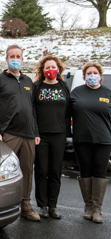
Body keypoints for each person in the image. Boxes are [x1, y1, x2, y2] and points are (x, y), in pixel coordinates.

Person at [0, 44, 41, 221]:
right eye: (12, 56)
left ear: (22, 59)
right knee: (4, 172)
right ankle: (0, 206)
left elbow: (32, 109)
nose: (15, 59)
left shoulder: (28, 82)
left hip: (29, 135)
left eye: (18, 56)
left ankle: (26, 206)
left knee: (27, 171)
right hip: (8, 134)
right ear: (7, 59)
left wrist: (36, 132)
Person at [71, 62, 111, 224]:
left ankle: (97, 209)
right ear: (84, 76)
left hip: (103, 140)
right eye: (88, 73)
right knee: (85, 172)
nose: (92, 75)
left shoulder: (107, 93)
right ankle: (87, 206)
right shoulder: (77, 93)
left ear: (100, 75)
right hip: (82, 140)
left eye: (95, 73)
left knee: (99, 173)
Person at [33, 55, 70, 219]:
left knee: (55, 171)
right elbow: (32, 112)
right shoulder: (37, 87)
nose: (50, 70)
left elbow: (68, 111)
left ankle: (53, 206)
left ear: (58, 69)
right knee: (41, 170)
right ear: (42, 70)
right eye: (47, 67)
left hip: (59, 134)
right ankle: (42, 205)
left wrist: (67, 133)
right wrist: (35, 132)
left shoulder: (63, 87)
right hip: (41, 136)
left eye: (53, 67)